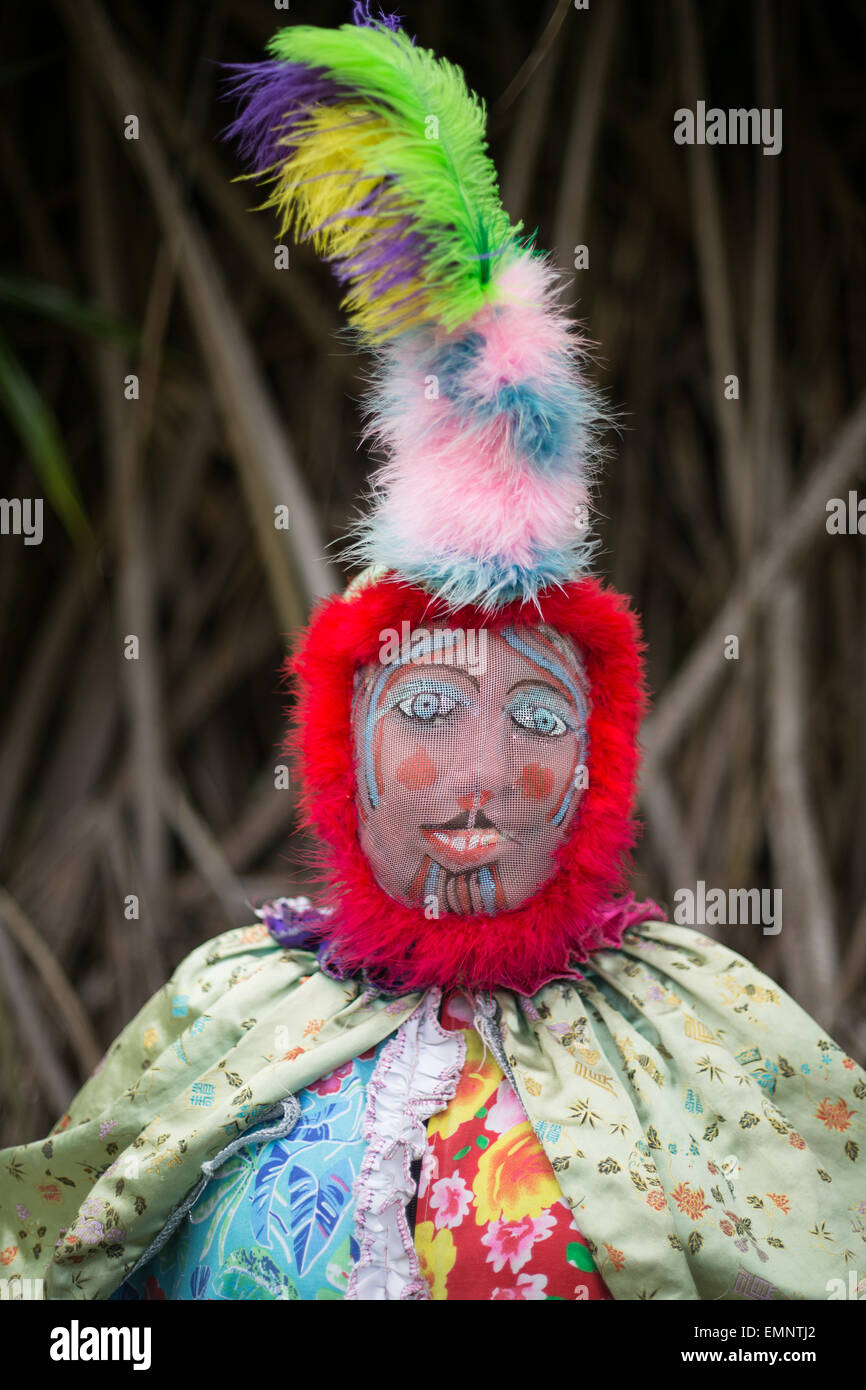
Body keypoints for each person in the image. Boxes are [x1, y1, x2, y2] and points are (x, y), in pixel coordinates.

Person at [1, 5, 863, 1302]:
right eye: (423, 706)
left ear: (596, 760)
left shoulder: (707, 1022)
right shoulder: (220, 1006)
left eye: (533, 717)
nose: (477, 768)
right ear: (343, 744)